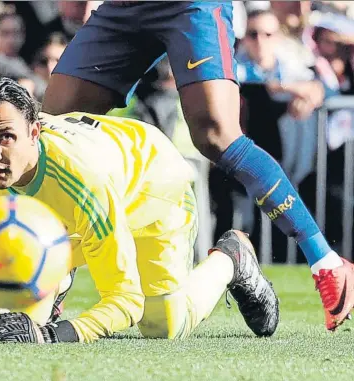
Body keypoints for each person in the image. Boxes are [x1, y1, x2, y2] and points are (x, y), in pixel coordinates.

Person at [41, 1, 354, 331]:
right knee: (53, 130)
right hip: (124, 8)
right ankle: (46, 283)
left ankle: (325, 262)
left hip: (188, 6)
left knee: (217, 135)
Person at [0, 77, 278, 343]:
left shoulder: (81, 179)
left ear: (34, 132)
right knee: (13, 315)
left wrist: (52, 336)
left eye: (6, 137)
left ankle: (231, 259)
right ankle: (55, 275)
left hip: (153, 190)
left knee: (163, 325)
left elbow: (125, 301)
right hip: (80, 197)